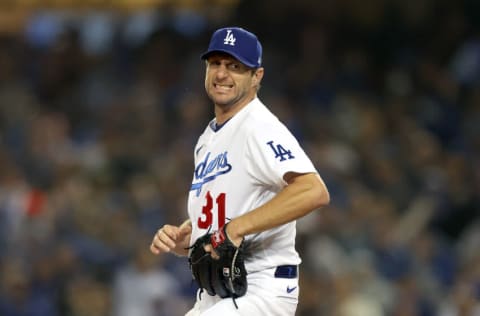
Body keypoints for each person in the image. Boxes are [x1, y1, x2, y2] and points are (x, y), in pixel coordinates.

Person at [150, 26, 330, 316]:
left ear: (256, 76)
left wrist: (235, 229)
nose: (222, 74)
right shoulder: (208, 137)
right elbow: (230, 208)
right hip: (218, 295)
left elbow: (313, 191)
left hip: (259, 289)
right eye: (216, 64)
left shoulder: (258, 126)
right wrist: (191, 234)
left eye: (235, 66)